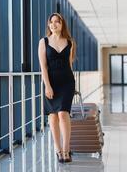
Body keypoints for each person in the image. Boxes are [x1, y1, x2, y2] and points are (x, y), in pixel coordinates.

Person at [38, 13, 76, 163]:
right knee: (53, 116)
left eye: (57, 22)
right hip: (51, 82)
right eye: (51, 22)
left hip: (67, 82)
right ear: (49, 25)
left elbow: (70, 64)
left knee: (63, 114)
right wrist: (47, 86)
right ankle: (58, 148)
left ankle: (66, 150)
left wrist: (73, 86)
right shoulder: (44, 42)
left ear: (62, 24)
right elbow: (43, 67)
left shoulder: (70, 42)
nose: (54, 25)